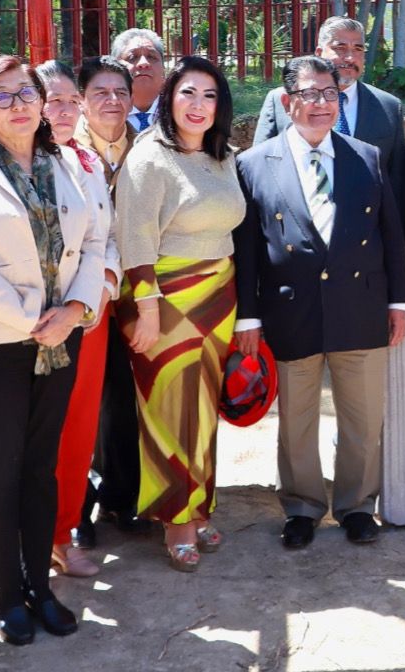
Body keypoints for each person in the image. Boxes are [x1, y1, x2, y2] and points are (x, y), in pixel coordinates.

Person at [0, 55, 105, 644]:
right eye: (1, 97)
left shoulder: (67, 162)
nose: (20, 104)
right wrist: (38, 319)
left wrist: (76, 311)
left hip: (61, 340)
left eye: (26, 92)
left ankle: (40, 585)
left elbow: (96, 241)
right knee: (0, 472)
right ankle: (7, 592)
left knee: (42, 468)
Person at [234, 56, 405, 549]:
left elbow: (390, 236)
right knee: (297, 418)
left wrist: (400, 303)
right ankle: (302, 506)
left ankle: (356, 506)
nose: (321, 104)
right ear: (288, 102)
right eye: (310, 94)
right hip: (290, 308)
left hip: (361, 304)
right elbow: (247, 249)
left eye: (330, 94)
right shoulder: (253, 163)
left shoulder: (366, 156)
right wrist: (247, 315)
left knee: (362, 416)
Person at [114, 56, 245, 572]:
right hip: (163, 300)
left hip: (219, 297)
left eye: (210, 96)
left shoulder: (224, 156)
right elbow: (135, 241)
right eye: (188, 93)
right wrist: (146, 310)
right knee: (170, 412)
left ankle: (199, 503)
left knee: (204, 411)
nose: (198, 105)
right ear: (169, 98)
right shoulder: (149, 158)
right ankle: (176, 519)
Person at [36, 59, 121, 578]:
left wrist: (103, 288)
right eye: (52, 100)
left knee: (76, 430)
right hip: (26, 322)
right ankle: (27, 537)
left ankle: (64, 532)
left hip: (88, 316)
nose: (63, 110)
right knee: (32, 432)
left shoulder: (88, 162)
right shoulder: (3, 163)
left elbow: (106, 238)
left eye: (71, 101)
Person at [72, 55, 148, 547]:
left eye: (120, 92)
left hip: (133, 295)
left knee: (124, 399)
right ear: (81, 98)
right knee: (78, 404)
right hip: (81, 292)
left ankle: (124, 498)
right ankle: (76, 509)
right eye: (101, 92)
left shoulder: (145, 148)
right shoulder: (65, 149)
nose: (112, 101)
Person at [253, 16, 405, 201]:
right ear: (319, 52)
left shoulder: (389, 107)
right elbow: (260, 168)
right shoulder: (282, 100)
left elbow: (398, 181)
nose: (350, 57)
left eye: (358, 49)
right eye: (340, 48)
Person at [112, 28, 166, 132]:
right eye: (132, 57)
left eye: (151, 56)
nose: (143, 63)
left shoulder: (179, 112)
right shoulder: (101, 113)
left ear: (163, 69)